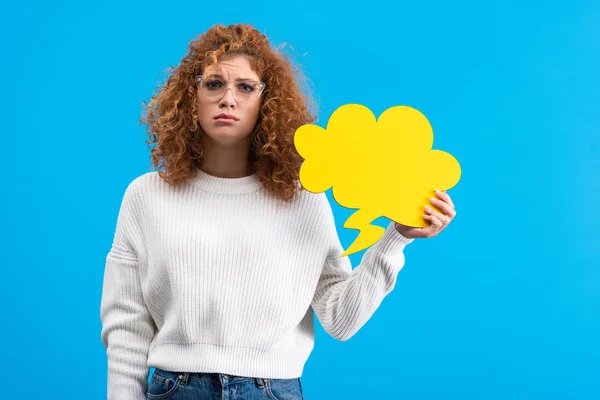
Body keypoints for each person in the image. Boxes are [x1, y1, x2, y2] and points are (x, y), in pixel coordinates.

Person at [99, 23, 456, 400]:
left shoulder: (303, 200)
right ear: (191, 96)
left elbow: (340, 320)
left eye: (246, 87)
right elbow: (127, 324)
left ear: (267, 103)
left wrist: (396, 237)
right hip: (177, 389)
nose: (228, 99)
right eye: (214, 83)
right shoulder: (146, 196)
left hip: (271, 391)